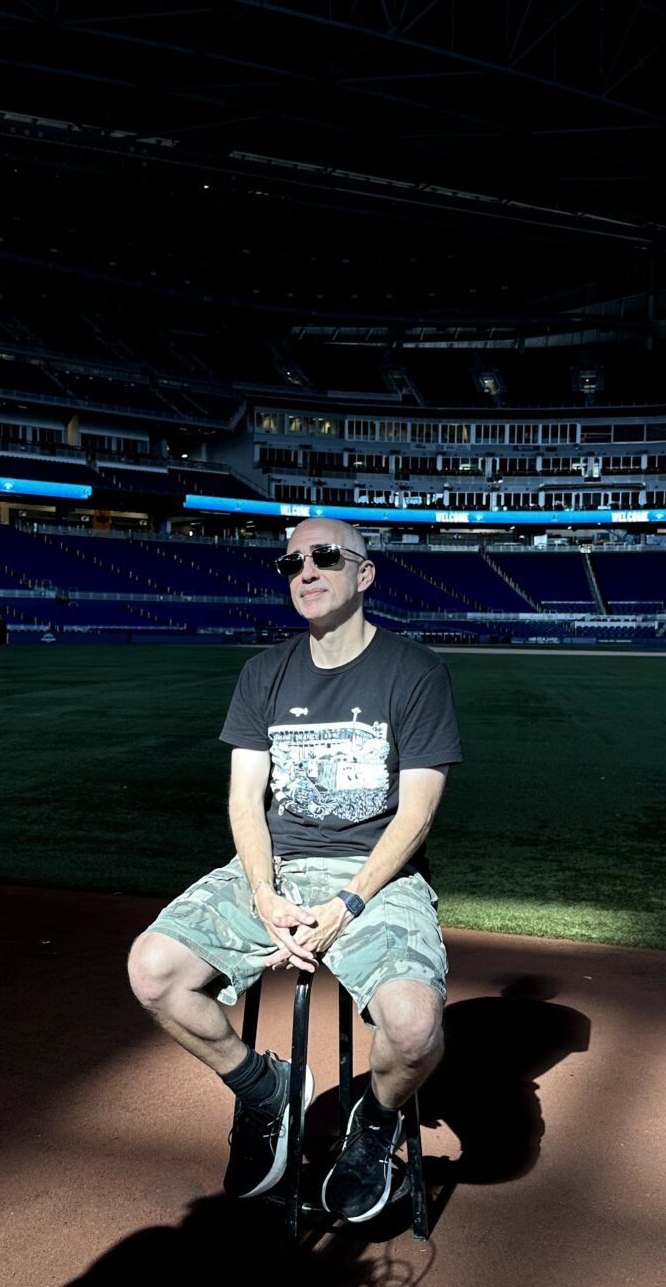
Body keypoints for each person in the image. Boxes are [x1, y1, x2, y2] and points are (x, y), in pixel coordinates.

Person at [127, 517, 462, 1222]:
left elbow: (416, 815)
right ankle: (265, 1090)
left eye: (325, 557)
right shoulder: (264, 672)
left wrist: (347, 904)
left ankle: (374, 1124)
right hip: (277, 864)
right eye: (291, 563)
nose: (305, 571)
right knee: (153, 971)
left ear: (363, 574)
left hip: (376, 877)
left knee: (412, 1030)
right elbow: (244, 800)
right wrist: (264, 893)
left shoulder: (415, 669)